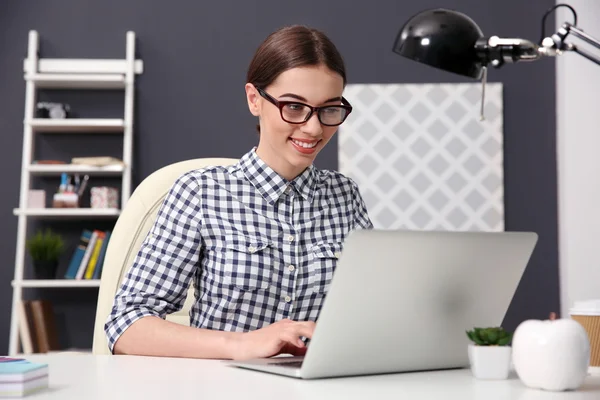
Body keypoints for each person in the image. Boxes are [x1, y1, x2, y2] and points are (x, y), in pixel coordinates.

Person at [104, 24, 373, 360]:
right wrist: (241, 344)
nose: (314, 127)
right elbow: (127, 325)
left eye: (329, 109)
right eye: (294, 107)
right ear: (254, 100)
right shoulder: (200, 192)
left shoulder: (344, 196)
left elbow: (371, 312)